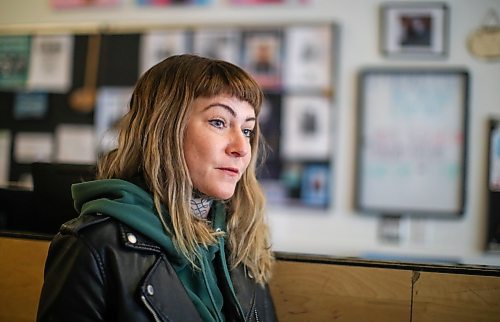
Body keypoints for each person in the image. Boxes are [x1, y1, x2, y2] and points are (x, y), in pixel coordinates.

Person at [37, 54, 277, 322]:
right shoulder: (93, 246)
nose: (242, 148)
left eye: (247, 130)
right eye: (219, 122)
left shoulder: (241, 237)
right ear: (165, 128)